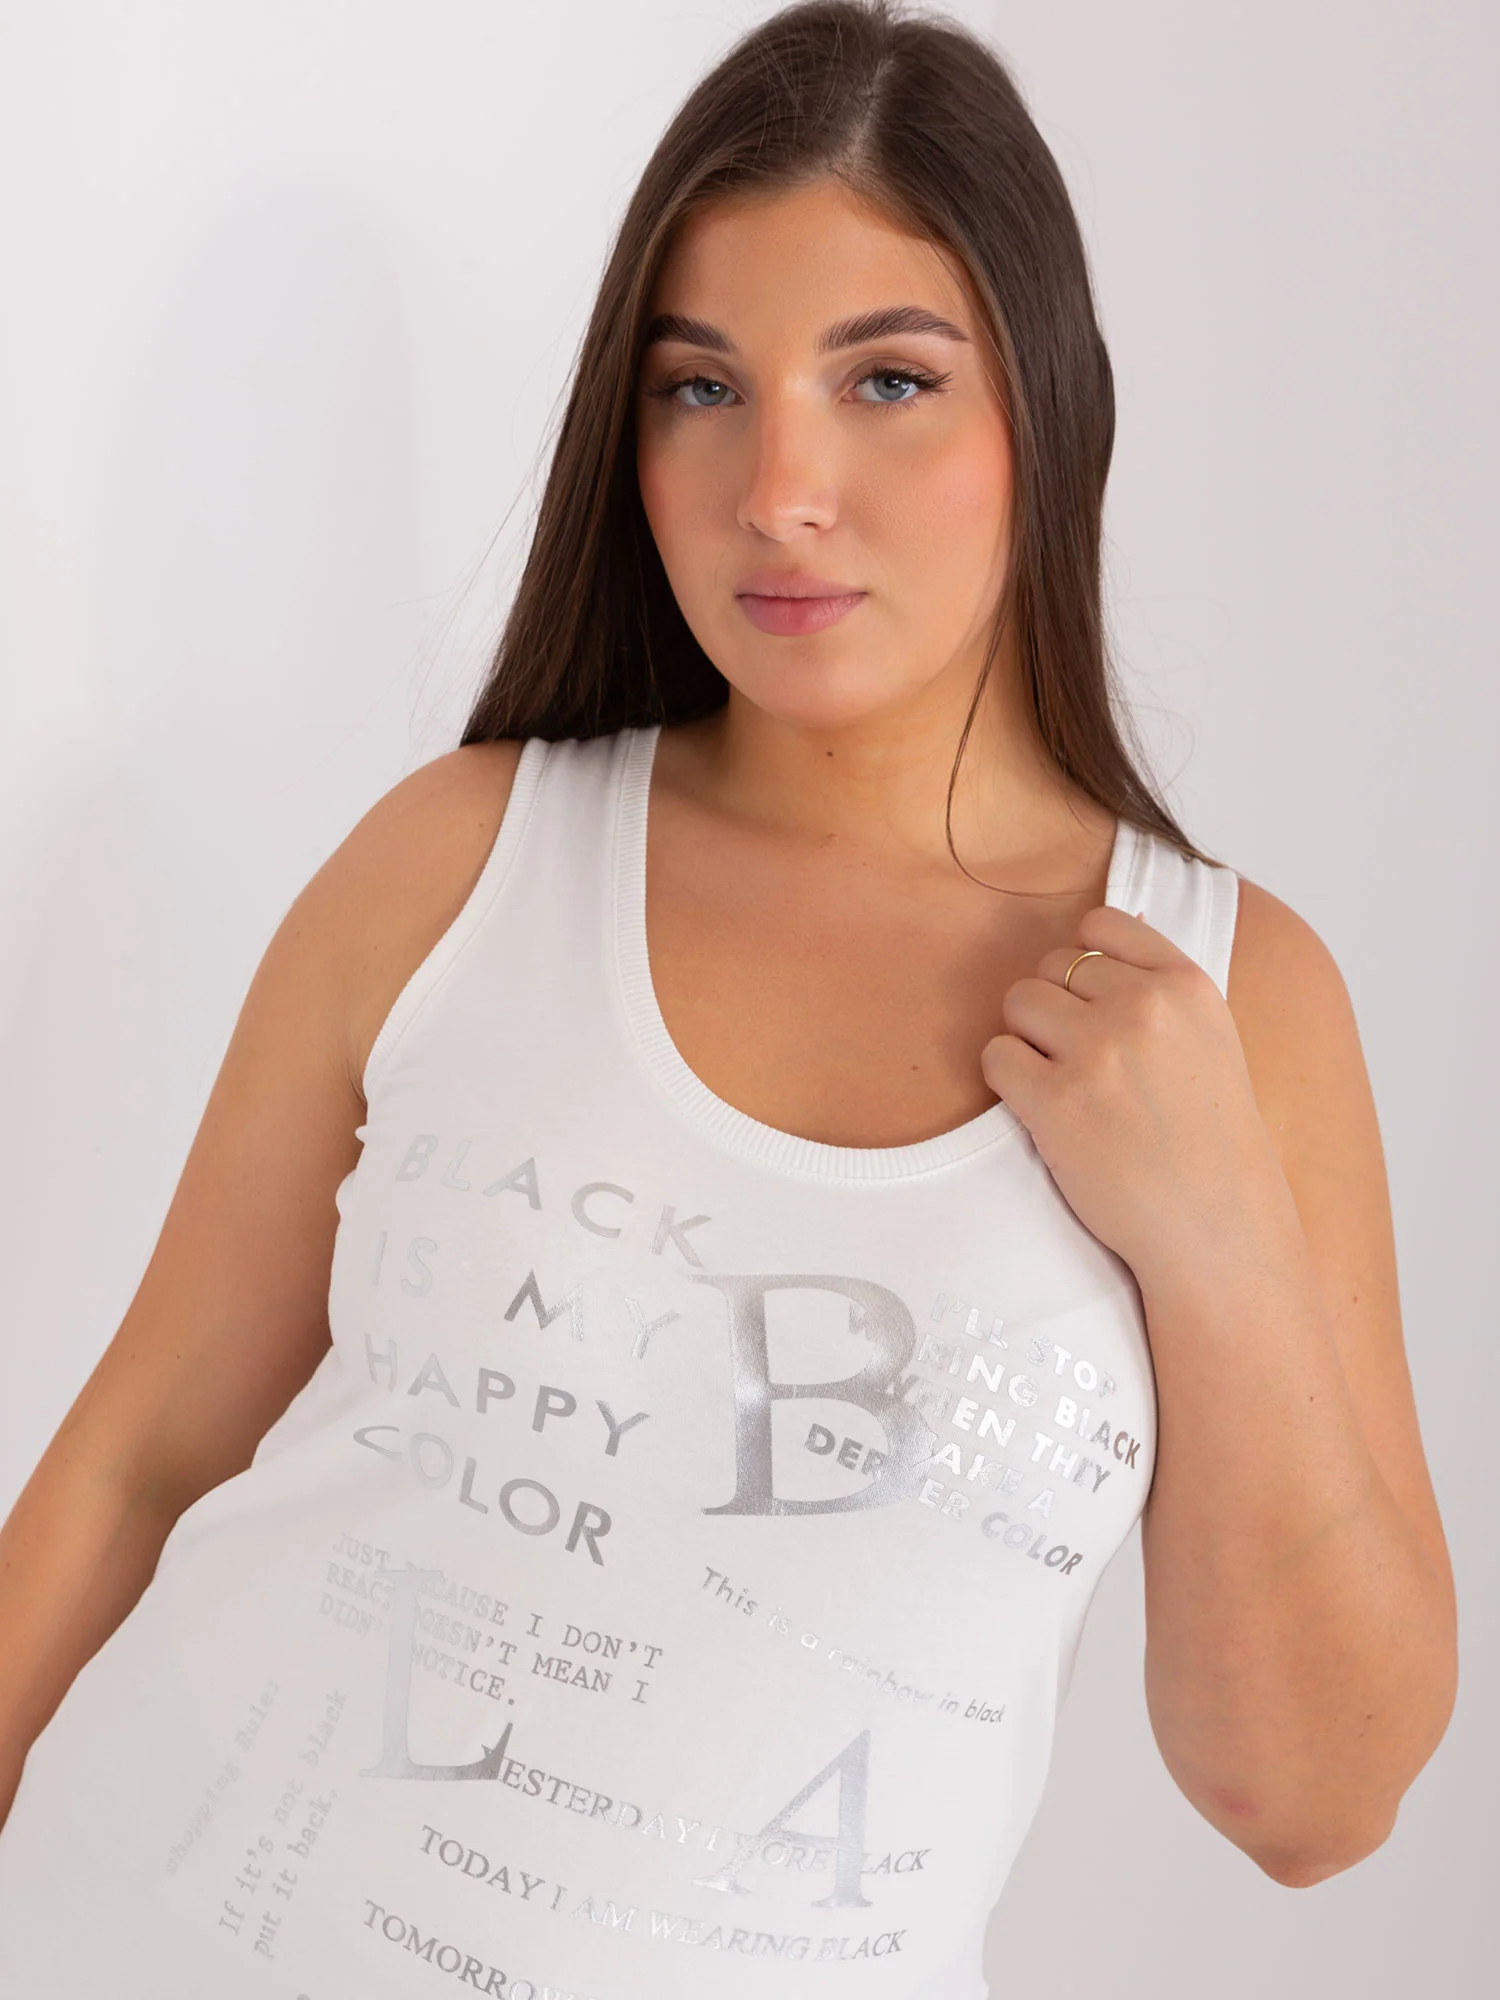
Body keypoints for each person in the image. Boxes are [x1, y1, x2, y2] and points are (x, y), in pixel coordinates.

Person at [0, 2, 1456, 1994]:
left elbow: (1312, 1805)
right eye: (702, 387)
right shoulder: (462, 862)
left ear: (1049, 408)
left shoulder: (1228, 999)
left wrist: (1217, 1241)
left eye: (887, 379)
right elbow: (137, 1463)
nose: (779, 487)